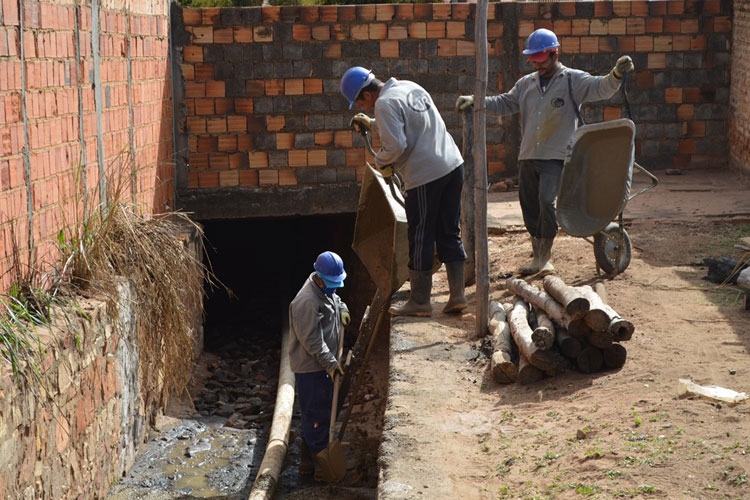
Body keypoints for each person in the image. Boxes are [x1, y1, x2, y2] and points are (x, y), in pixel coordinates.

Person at [456, 28, 634, 276]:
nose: (536, 64)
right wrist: (477, 101)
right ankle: (537, 256)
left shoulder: (572, 79)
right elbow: (505, 102)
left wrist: (615, 74)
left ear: (554, 54)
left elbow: (601, 88)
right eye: (533, 59)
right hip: (528, 155)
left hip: (557, 156)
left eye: (540, 58)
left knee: (546, 202)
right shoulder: (526, 84)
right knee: (529, 205)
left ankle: (547, 256)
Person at [340, 67, 468, 317]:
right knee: (449, 230)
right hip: (452, 165)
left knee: (421, 235)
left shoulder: (383, 104)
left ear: (365, 95)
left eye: (360, 103)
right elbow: (408, 120)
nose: (364, 108)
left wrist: (382, 162)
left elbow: (397, 144)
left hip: (426, 175)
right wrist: (374, 124)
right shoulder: (408, 87)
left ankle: (420, 301)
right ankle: (458, 296)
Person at [288, 250, 351, 480]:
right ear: (319, 277)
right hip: (311, 368)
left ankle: (307, 464)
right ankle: (322, 468)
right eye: (332, 284)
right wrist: (332, 364)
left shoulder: (325, 288)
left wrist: (342, 309)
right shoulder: (305, 301)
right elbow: (313, 342)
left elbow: (335, 299)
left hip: (322, 365)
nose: (335, 288)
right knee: (316, 415)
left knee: (320, 411)